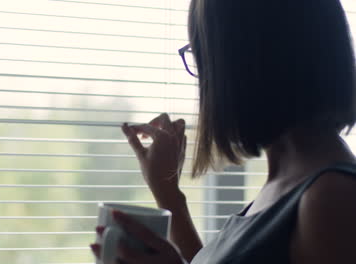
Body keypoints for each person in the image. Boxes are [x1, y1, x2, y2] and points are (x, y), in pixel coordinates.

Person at [91, 0, 356, 263]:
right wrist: (166, 190)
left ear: (247, 62)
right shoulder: (286, 184)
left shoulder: (332, 197)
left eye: (203, 56)